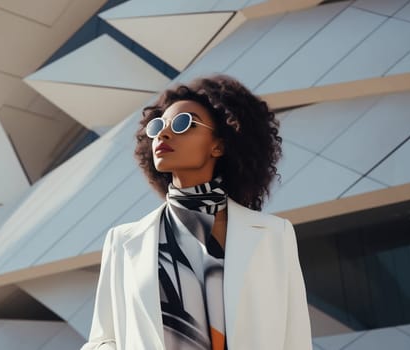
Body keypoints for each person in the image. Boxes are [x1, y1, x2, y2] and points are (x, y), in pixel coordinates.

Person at [80, 75, 312, 350]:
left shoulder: (275, 235)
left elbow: (294, 339)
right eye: (157, 127)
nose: (163, 134)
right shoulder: (124, 241)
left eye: (182, 123)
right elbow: (103, 339)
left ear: (219, 144)